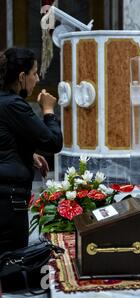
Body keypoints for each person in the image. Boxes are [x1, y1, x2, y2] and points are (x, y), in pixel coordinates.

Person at [0, 47, 63, 256]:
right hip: (8, 200)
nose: (37, 79)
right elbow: (52, 142)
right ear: (21, 76)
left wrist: (28, 154)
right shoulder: (14, 105)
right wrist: (48, 111)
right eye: (34, 73)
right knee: (11, 267)